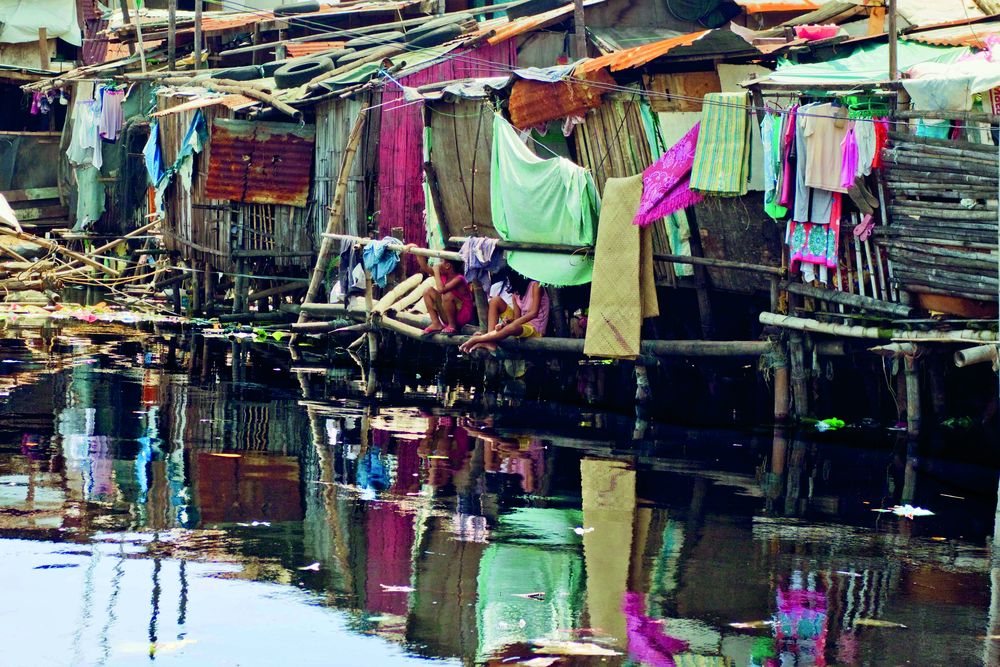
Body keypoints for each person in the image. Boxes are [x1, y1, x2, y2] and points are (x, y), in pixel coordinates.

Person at [459, 271, 548, 354]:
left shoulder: (536, 285)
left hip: (536, 328)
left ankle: (479, 339)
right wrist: (508, 322)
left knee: (512, 327)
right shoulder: (516, 293)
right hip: (522, 324)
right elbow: (517, 318)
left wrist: (511, 325)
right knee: (495, 301)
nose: (509, 282)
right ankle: (490, 340)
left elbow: (533, 313)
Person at [406, 244, 474, 335]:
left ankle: (452, 326)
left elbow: (442, 290)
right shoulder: (444, 275)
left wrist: (436, 271)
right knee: (428, 291)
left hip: (462, 316)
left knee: (447, 295)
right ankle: (436, 323)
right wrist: (416, 250)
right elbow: (425, 267)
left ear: (447, 266)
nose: (438, 263)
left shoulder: (459, 278)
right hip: (448, 313)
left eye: (441, 261)